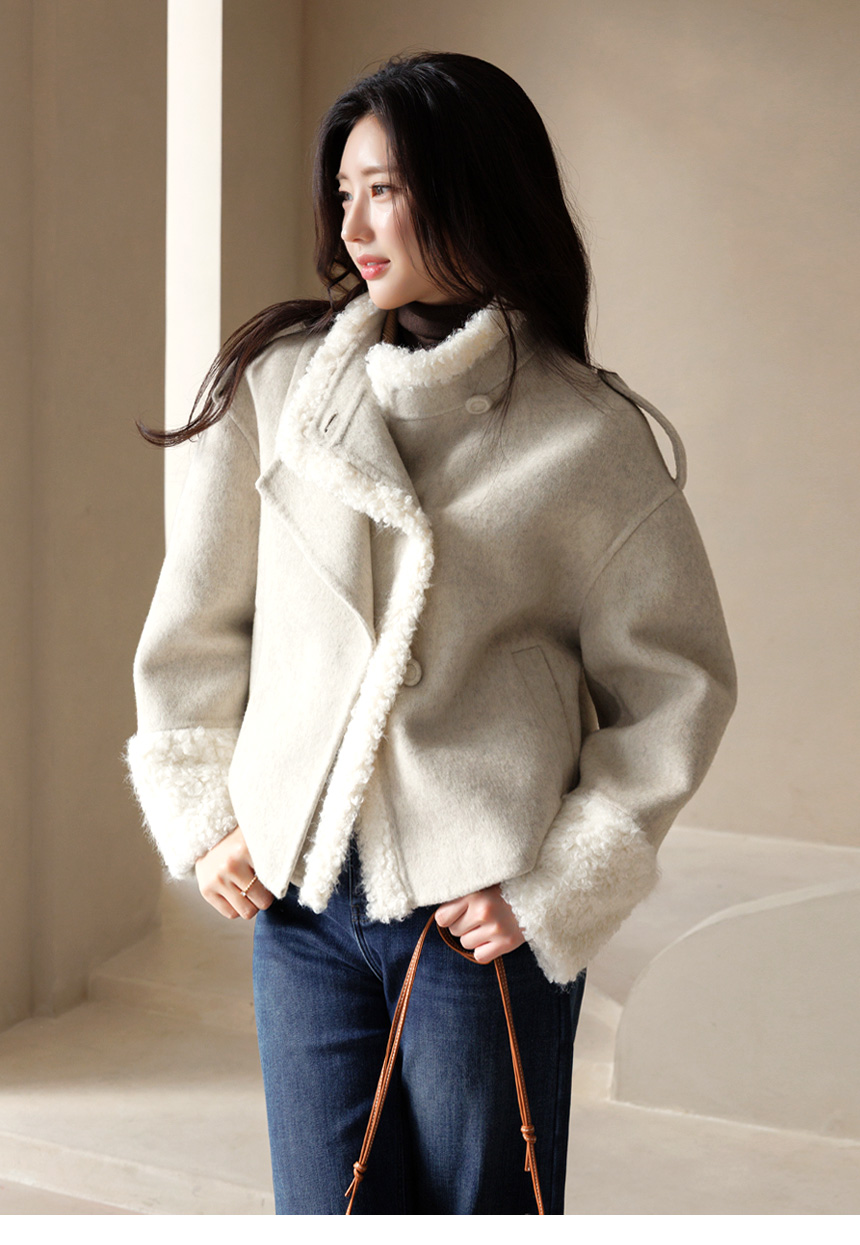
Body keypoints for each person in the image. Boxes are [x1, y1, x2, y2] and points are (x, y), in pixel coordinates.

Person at [124, 52, 736, 1215]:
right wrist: (209, 817)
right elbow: (198, 624)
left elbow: (676, 685)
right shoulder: (280, 391)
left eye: (387, 190)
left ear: (473, 192)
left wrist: (557, 884)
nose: (354, 225)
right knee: (328, 1214)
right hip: (301, 903)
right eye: (344, 192)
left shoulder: (584, 433)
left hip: (476, 914)